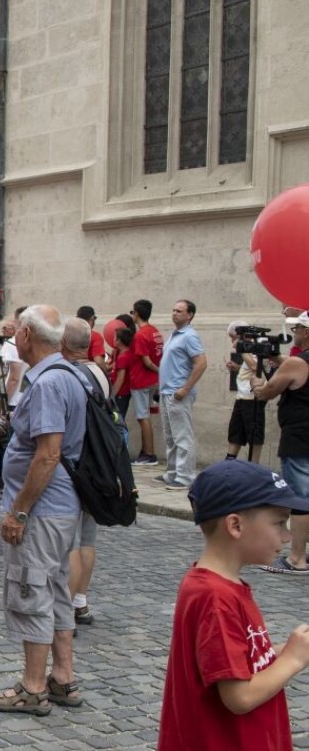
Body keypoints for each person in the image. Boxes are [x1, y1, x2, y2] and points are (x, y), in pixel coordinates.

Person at [157, 458, 309, 750]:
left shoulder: (219, 586)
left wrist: (284, 650)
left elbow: (238, 661)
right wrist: (292, 661)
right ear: (235, 525)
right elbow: (240, 697)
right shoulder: (216, 597)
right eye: (279, 523)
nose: (288, 535)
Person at [0, 305, 86, 717]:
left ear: (26, 334)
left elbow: (48, 454)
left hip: (43, 509)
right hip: (60, 506)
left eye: (17, 331)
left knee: (31, 589)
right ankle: (63, 677)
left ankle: (33, 687)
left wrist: (19, 511)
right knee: (55, 588)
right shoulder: (68, 373)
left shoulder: (48, 382)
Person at [60, 317, 109, 626]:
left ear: (64, 343)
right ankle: (81, 601)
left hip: (76, 463)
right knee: (88, 538)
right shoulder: (99, 372)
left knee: (72, 543)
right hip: (99, 463)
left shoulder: (69, 375)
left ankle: (65, 609)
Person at [253, 313, 309, 574]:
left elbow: (267, 392)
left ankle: (297, 559)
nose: (293, 332)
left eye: (296, 328)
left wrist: (257, 385)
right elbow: (295, 366)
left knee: (300, 499)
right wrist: (275, 358)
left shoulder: (297, 363)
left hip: (299, 437)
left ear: (306, 332)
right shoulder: (297, 363)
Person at [156, 300, 207, 491]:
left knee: (182, 436)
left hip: (178, 393)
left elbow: (201, 363)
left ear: (190, 314)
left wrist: (185, 389)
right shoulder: (175, 334)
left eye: (179, 311)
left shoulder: (189, 336)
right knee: (170, 436)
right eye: (173, 310)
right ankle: (172, 473)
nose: (174, 313)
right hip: (167, 391)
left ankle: (185, 476)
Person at [128, 299, 163, 465]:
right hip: (152, 381)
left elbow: (147, 361)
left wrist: (160, 371)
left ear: (137, 314)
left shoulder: (140, 335)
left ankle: (149, 454)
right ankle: (145, 451)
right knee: (146, 416)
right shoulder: (155, 331)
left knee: (143, 417)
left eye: (132, 312)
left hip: (141, 380)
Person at [225, 321, 265, 463]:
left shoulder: (259, 344)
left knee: (254, 434)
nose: (232, 342)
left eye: (233, 338)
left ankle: (253, 465)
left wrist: (241, 349)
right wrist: (237, 367)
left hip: (253, 398)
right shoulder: (248, 348)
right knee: (235, 431)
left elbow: (255, 366)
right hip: (242, 396)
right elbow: (250, 367)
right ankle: (229, 462)